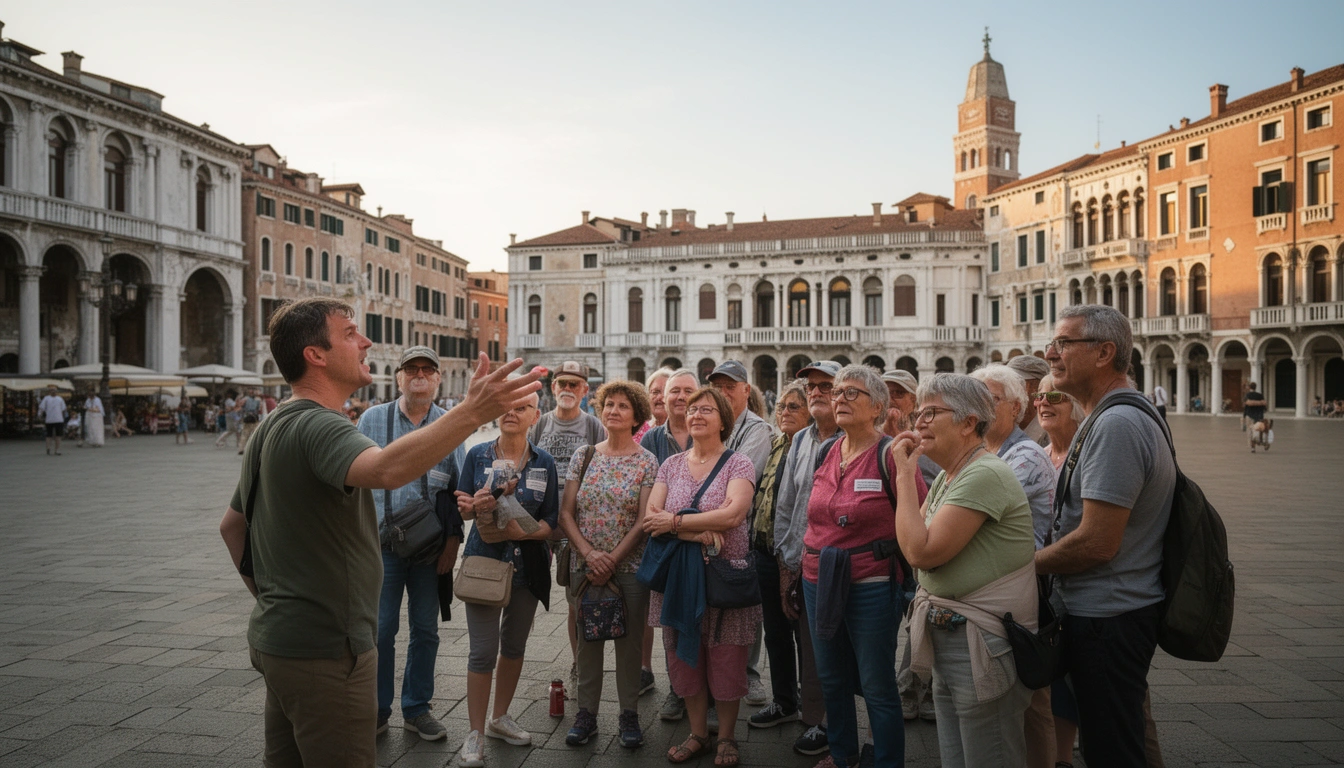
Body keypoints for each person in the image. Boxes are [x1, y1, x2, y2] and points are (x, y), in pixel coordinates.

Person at [217, 297, 544, 768]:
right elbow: (387, 469)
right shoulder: (320, 424)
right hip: (328, 652)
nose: (366, 340)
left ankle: (413, 706)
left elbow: (232, 528)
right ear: (316, 354)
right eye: (350, 332)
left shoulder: (271, 426)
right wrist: (472, 414)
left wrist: (278, 604)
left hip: (279, 641)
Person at [1036, 305, 1176, 768]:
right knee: (1118, 737)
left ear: (1104, 352)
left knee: (1112, 749)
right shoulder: (1112, 416)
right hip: (1112, 613)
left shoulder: (1116, 425)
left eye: (1062, 343)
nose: (1049, 353)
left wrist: (1025, 563)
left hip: (1108, 618)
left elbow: (1098, 542)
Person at [892, 373, 1036, 768]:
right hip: (954, 637)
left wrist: (905, 474)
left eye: (931, 412)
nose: (918, 422)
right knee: (958, 757)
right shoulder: (949, 474)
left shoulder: (984, 474)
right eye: (918, 413)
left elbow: (920, 551)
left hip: (982, 644)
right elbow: (910, 541)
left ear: (969, 422)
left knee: (988, 755)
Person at [804, 365, 926, 768]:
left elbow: (920, 515)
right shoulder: (827, 450)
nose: (838, 398)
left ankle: (888, 761)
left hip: (871, 584)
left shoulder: (892, 454)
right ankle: (842, 755)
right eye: (836, 392)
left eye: (850, 393)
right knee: (832, 677)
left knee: (876, 685)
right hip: (817, 579)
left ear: (877, 407)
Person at [642, 385, 758, 768]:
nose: (696, 415)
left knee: (726, 656)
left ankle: (725, 737)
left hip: (724, 577)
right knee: (683, 657)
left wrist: (676, 522)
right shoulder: (670, 465)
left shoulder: (738, 463)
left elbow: (732, 516)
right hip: (678, 578)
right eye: (692, 410)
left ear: (723, 419)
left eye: (706, 409)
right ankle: (697, 733)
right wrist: (692, 530)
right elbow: (651, 519)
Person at [357, 346, 467, 742]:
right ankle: (378, 708)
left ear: (438, 379)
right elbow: (353, 482)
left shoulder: (450, 425)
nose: (419, 375)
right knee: (381, 629)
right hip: (380, 545)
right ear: (399, 378)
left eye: (427, 369)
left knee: (426, 629)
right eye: (411, 369)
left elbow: (459, 492)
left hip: (429, 550)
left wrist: (452, 548)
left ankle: (417, 708)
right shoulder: (372, 419)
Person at [456, 386, 559, 766]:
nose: (512, 413)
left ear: (536, 415)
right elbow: (463, 510)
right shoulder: (477, 454)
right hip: (485, 562)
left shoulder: (544, 462)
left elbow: (552, 521)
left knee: (514, 647)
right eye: (506, 407)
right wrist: (472, 504)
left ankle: (500, 718)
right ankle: (474, 734)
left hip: (527, 566)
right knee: (482, 651)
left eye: (522, 408)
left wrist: (527, 533)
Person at [559, 380, 658, 749]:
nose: (614, 411)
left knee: (629, 645)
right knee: (587, 643)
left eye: (623, 406)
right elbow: (566, 514)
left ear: (637, 416)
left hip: (628, 568)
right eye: (609, 404)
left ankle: (629, 714)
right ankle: (586, 715)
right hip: (584, 567)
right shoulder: (583, 455)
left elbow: (643, 521)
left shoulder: (647, 461)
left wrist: (612, 559)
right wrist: (589, 555)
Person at [972, 365, 1057, 768]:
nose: (982, 407)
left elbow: (973, 515)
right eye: (976, 397)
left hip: (1023, 590)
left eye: (992, 398)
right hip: (996, 588)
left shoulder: (1024, 457)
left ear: (1018, 407)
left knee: (1031, 698)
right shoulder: (983, 453)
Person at [772, 360, 842, 757]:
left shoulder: (859, 438)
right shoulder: (801, 440)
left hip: (845, 565)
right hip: (804, 562)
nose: (815, 391)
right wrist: (786, 564)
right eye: (811, 386)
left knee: (839, 648)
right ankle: (818, 720)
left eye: (825, 385)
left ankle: (839, 725)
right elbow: (787, 504)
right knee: (812, 646)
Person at [530, 360, 607, 695]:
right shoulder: (540, 425)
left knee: (577, 601)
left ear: (585, 391)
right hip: (541, 525)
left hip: (577, 527)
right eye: (562, 383)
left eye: (575, 385)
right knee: (525, 592)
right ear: (552, 387)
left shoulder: (594, 427)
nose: (567, 389)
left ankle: (579, 662)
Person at [706, 360, 775, 707]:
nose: (722, 392)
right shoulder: (709, 425)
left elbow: (736, 483)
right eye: (717, 386)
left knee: (745, 605)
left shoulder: (758, 430)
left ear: (747, 391)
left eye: (729, 386)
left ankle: (749, 676)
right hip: (708, 531)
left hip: (742, 533)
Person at [747, 383, 814, 735]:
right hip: (764, 552)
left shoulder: (813, 448)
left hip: (797, 557)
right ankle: (784, 700)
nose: (784, 412)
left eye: (794, 407)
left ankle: (810, 703)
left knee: (803, 633)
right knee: (774, 633)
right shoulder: (775, 445)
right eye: (782, 407)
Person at [1032, 374, 1086, 766]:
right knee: (1055, 684)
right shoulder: (1037, 451)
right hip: (1049, 590)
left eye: (1055, 396)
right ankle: (1061, 758)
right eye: (1039, 395)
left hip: (1083, 587)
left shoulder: (1087, 452)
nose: (1043, 402)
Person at [639, 368, 699, 719]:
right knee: (669, 622)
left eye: (687, 390)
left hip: (700, 542)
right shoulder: (651, 440)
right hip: (664, 542)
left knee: (701, 620)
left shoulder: (710, 429)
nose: (678, 397)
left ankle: (702, 691)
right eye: (673, 391)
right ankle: (679, 690)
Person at [1007, 355, 1052, 447]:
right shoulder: (1004, 428)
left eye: (1015, 383)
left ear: (1037, 388)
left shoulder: (1050, 432)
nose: (1008, 391)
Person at [637, 367, 675, 443]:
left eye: (665, 392)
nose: (660, 397)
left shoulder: (685, 432)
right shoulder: (637, 428)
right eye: (655, 392)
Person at [38, 385, 68, 456]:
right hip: (49, 420)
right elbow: (41, 408)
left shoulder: (60, 399)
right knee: (49, 435)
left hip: (59, 419)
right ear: (49, 391)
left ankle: (57, 449)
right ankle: (48, 448)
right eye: (52, 390)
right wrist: (39, 415)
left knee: (58, 435)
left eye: (54, 390)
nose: (53, 391)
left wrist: (64, 418)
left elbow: (64, 409)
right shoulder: (46, 399)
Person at [238, 388, 267, 455]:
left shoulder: (245, 399)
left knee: (245, 435)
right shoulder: (258, 400)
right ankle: (257, 449)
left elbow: (241, 407)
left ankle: (241, 448)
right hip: (255, 418)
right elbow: (260, 409)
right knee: (256, 434)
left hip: (247, 417)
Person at [1244, 383, 1268, 449]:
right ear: (1255, 387)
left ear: (1249, 387)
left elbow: (1246, 405)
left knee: (1250, 431)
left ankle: (1252, 446)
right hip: (1258, 415)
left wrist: (1244, 415)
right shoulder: (1260, 395)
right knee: (1258, 429)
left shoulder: (1247, 395)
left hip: (1249, 415)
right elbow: (1264, 405)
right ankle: (1259, 441)